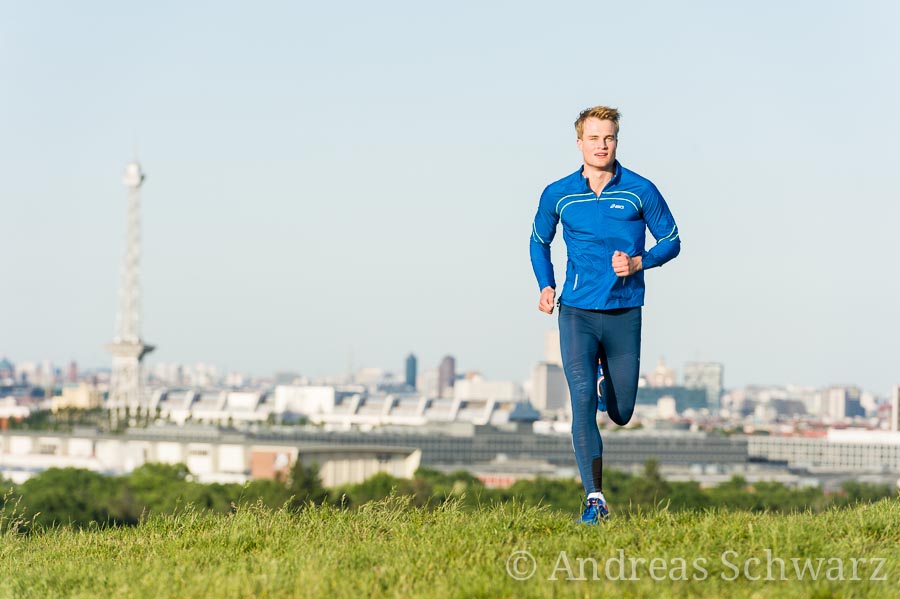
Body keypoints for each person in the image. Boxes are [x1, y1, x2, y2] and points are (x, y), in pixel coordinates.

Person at [529, 106, 681, 524]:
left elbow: (672, 240)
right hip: (576, 311)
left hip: (623, 312)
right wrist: (546, 284)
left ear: (617, 140)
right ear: (579, 143)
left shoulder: (640, 190)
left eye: (609, 137)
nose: (602, 145)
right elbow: (538, 241)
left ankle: (606, 385)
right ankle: (594, 498)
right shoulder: (558, 193)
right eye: (594, 138)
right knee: (579, 401)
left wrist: (639, 263)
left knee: (621, 412)